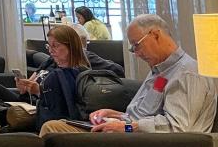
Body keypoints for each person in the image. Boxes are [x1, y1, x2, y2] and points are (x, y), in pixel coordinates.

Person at [41, 14, 218, 134]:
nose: (136, 52)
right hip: (132, 137)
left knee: (53, 129)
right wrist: (115, 115)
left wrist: (126, 128)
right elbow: (143, 115)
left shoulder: (186, 73)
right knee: (58, 127)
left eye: (137, 45)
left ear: (156, 35)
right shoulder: (159, 71)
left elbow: (177, 128)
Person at [0, 25, 91, 132]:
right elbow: (32, 82)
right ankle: (0, 107)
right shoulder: (50, 62)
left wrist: (39, 92)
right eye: (49, 46)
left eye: (55, 46)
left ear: (71, 46)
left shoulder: (77, 73)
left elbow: (63, 107)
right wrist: (24, 87)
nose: (51, 51)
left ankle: (1, 109)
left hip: (37, 109)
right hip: (28, 100)